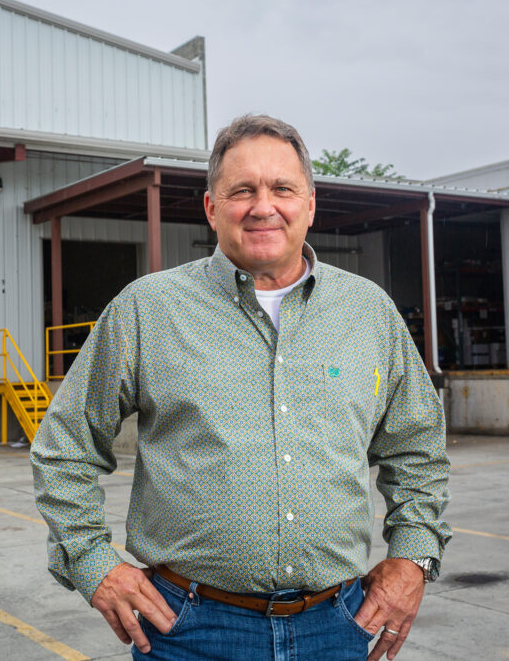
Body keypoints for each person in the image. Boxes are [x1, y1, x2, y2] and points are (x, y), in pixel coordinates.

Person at [31, 114, 451, 661]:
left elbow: (417, 446)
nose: (263, 205)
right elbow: (64, 447)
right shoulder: (148, 310)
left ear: (310, 203)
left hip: (337, 626)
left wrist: (412, 559)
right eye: (242, 190)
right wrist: (93, 564)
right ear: (211, 207)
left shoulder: (368, 312)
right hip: (188, 631)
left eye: (282, 188)